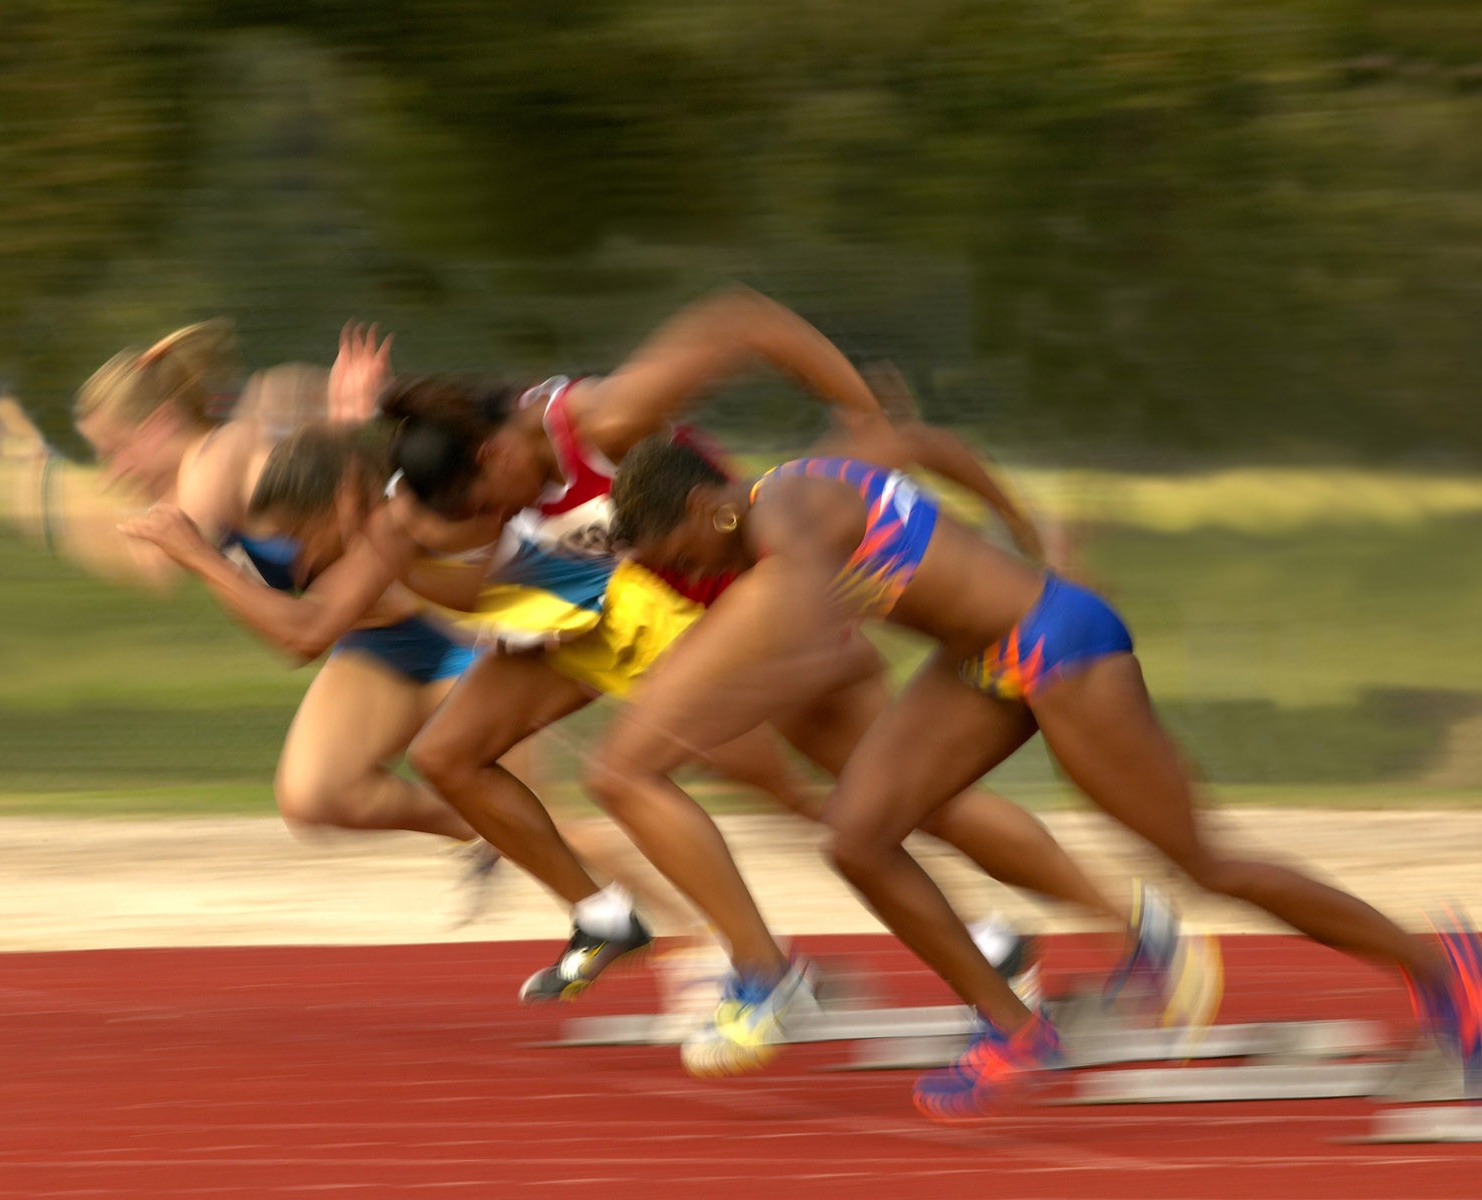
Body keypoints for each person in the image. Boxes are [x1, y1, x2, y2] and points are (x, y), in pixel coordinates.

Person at [126, 289, 1139, 1035]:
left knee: (860, 790)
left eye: (486, 506)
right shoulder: (410, 498)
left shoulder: (587, 421)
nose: (486, 522)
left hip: (739, 594)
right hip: (599, 621)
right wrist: (203, 556)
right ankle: (613, 915)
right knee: (454, 755)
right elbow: (311, 631)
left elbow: (743, 323)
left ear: (496, 455)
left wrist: (861, 412)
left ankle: (1102, 928)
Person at [601, 431, 1482, 1114]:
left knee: (1205, 862)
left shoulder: (779, 513)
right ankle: (1018, 1028)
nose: (687, 577)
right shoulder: (785, 501)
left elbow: (790, 632)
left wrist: (679, 723)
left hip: (1060, 646)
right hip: (980, 660)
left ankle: (1448, 966)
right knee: (858, 837)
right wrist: (1016, 521)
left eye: (679, 556)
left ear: (707, 509)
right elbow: (903, 458)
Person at [0, 320, 481, 859]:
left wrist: (43, 496)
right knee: (316, 795)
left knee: (549, 822)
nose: (111, 473)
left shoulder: (213, 460)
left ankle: (515, 826)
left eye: (114, 450)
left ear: (157, 427)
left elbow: (154, 566)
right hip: (385, 638)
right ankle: (484, 827)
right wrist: (345, 419)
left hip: (456, 620)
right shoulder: (212, 464)